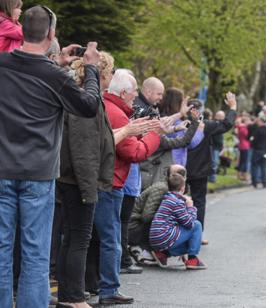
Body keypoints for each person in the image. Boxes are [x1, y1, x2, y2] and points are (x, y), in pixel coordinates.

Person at [0, 6, 101, 307]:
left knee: (2, 250)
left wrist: (55, 61)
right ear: (51, 34)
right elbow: (89, 105)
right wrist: (92, 68)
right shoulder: (56, 77)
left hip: (2, 170)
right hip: (39, 174)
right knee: (35, 254)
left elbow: (27, 70)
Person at [56, 51, 121, 308]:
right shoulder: (86, 102)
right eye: (111, 71)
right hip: (79, 181)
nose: (112, 76)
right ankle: (74, 297)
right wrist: (88, 189)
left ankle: (67, 295)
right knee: (78, 238)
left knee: (72, 237)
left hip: (73, 179)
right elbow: (83, 149)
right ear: (102, 73)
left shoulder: (84, 98)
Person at [99, 69, 163, 305]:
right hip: (111, 181)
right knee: (111, 237)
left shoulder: (111, 108)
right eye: (135, 90)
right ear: (124, 92)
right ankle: (107, 288)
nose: (137, 95)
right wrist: (154, 134)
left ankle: (97, 285)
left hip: (108, 180)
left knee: (100, 236)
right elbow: (134, 151)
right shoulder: (117, 114)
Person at [186, 94, 237, 243]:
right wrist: (232, 107)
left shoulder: (178, 124)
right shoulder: (205, 126)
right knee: (199, 202)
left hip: (180, 168)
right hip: (200, 169)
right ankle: (197, 235)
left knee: (177, 200)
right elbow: (226, 124)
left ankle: (177, 233)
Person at [149, 169, 207, 269]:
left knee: (187, 242)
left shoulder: (167, 198)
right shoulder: (177, 202)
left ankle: (163, 254)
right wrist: (190, 207)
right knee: (197, 225)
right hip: (164, 236)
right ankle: (192, 259)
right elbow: (190, 224)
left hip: (156, 238)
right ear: (183, 188)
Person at [128, 164, 186, 265]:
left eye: (181, 174)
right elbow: (146, 216)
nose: (178, 177)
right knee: (163, 223)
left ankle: (152, 251)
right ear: (168, 175)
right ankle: (142, 249)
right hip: (132, 226)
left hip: (137, 224)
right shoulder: (161, 189)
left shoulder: (172, 188)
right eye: (176, 174)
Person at [250, 116, 266, 188]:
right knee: (264, 167)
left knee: (255, 166)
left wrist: (252, 144)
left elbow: (254, 140)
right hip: (265, 150)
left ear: (261, 121)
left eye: (258, 121)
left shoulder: (257, 130)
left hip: (257, 150)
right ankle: (264, 182)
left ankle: (255, 182)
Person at [209, 110, 226, 183]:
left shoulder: (219, 124)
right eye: (222, 117)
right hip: (214, 146)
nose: (223, 118)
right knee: (214, 163)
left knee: (215, 162)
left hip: (217, 147)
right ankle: (212, 178)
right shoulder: (216, 124)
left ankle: (212, 178)